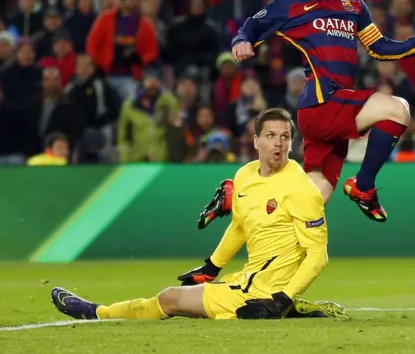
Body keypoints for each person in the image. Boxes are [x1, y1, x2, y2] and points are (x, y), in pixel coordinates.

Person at [229, 0, 415, 224]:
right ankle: (363, 186)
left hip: (334, 110)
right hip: (321, 102)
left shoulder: (355, 6)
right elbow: (252, 25)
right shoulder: (294, 0)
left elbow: (381, 48)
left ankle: (237, 197)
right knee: (398, 109)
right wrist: (242, 40)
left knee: (315, 195)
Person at [51, 108, 346, 321]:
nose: (278, 143)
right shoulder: (245, 176)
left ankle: (95, 313)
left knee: (169, 299)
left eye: (284, 137)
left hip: (266, 292)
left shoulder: (301, 189)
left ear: (291, 143)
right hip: (248, 281)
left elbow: (317, 256)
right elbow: (239, 227)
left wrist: (280, 300)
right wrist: (212, 266)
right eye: (271, 135)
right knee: (184, 298)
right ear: (256, 141)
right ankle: (294, 308)